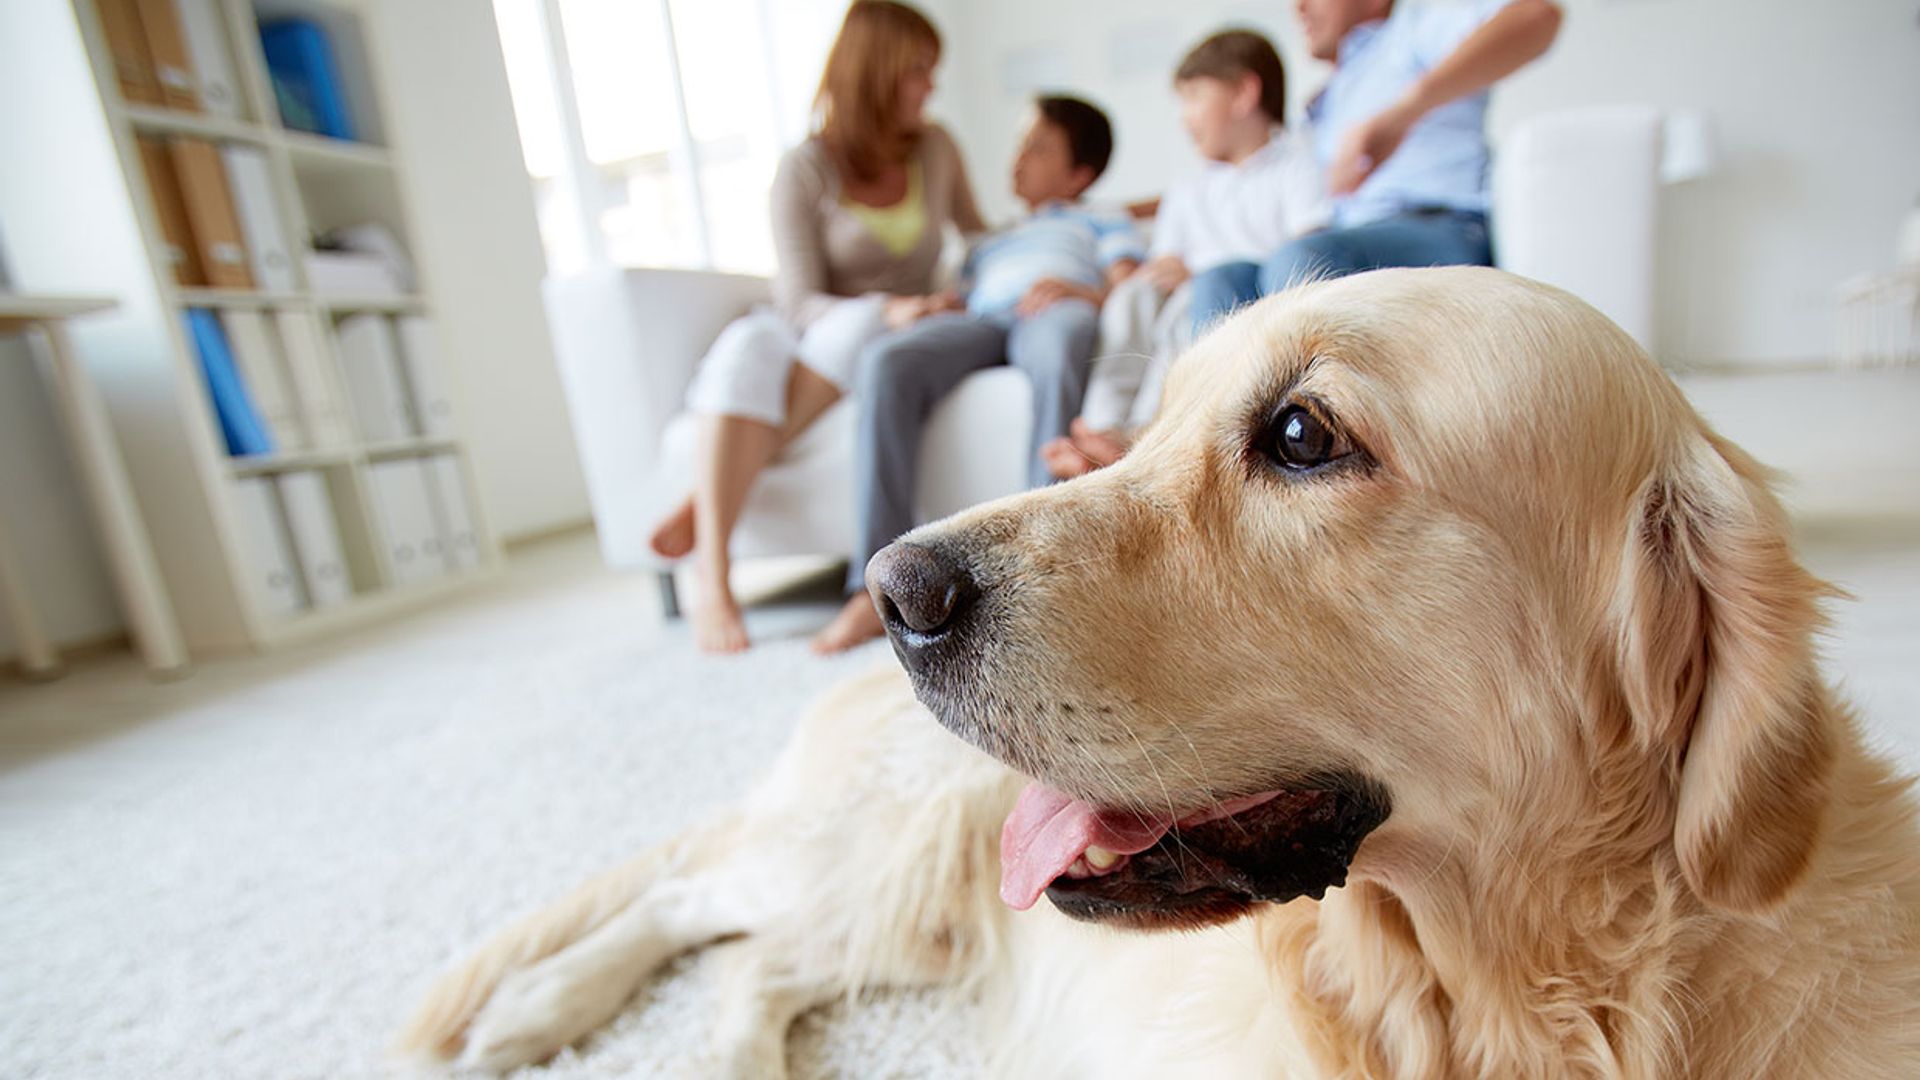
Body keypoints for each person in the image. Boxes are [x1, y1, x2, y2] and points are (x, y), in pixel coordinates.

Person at [646, 1, 985, 653]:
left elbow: (978, 236)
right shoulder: (805, 167)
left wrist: (1066, 225)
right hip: (818, 326)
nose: (930, 86)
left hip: (884, 335)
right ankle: (712, 580)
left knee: (864, 333)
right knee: (745, 344)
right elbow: (798, 299)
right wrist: (888, 307)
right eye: (918, 70)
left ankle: (702, 503)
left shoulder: (936, 149)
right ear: (878, 72)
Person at [812, 95, 1142, 653]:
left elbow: (1129, 279)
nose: (1018, 157)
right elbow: (964, 295)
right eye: (1020, 143)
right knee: (887, 360)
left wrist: (1082, 292)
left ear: (1079, 172)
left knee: (1064, 340)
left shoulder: (1102, 218)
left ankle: (1039, 568)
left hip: (1052, 309)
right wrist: (942, 306)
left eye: (1038, 147)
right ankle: (867, 591)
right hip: (982, 318)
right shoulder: (990, 241)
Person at [1040, 28, 1331, 480]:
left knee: (1185, 308)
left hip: (1229, 297)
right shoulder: (1189, 187)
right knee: (1133, 298)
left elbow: (1306, 254)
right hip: (1178, 290)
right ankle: (1101, 427)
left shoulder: (1296, 164)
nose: (1184, 118)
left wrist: (1191, 273)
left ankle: (1144, 433)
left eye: (1194, 97)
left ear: (1243, 94)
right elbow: (1163, 260)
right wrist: (1156, 272)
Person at [1188, 0, 1563, 329]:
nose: (1298, 6)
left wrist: (1403, 113)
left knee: (1302, 260)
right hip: (1346, 243)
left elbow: (1536, 16)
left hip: (1440, 229)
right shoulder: (1325, 102)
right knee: (1220, 282)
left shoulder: (1409, 37)